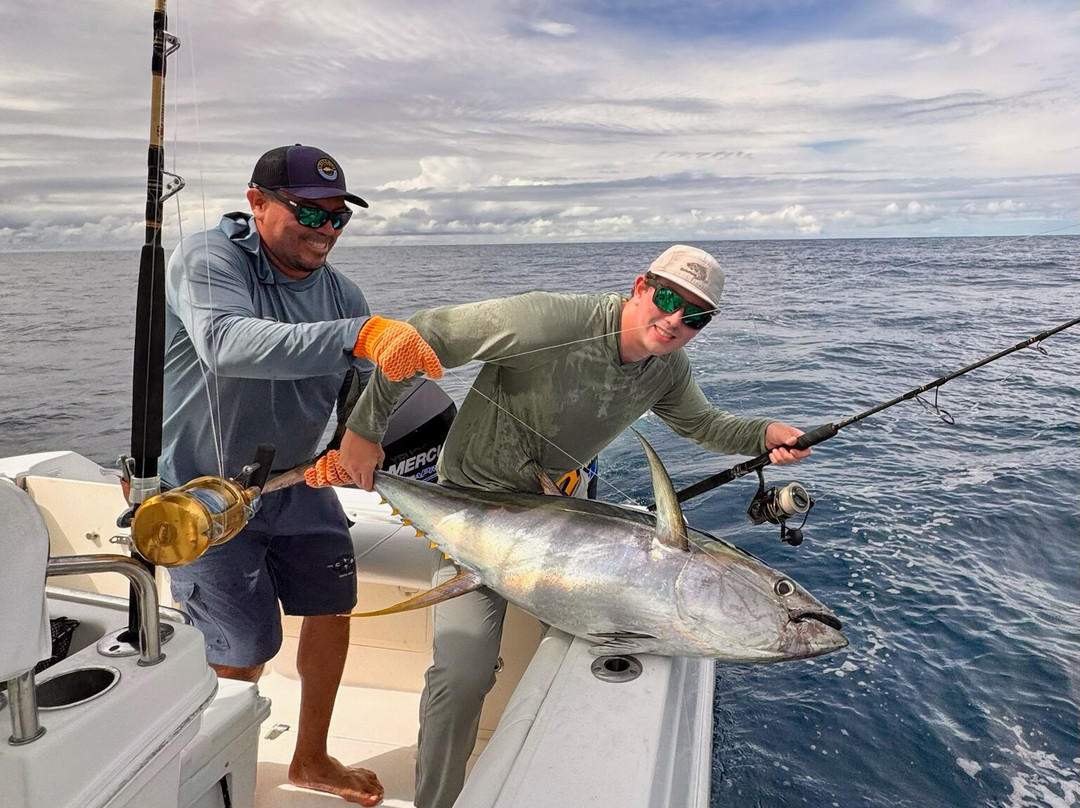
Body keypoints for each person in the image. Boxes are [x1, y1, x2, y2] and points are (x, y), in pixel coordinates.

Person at [319, 244, 810, 808]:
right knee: (462, 677)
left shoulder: (667, 368)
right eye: (670, 299)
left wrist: (763, 433)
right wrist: (364, 429)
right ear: (640, 286)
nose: (676, 320)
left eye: (695, 315)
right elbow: (427, 333)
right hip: (470, 510)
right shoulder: (558, 320)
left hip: (559, 507)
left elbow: (701, 421)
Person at [161, 143, 442, 807]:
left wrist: (357, 437)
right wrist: (362, 335)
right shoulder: (210, 260)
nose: (324, 230)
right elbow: (225, 345)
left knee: (331, 603)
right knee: (242, 646)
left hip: (297, 481)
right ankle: (209, 780)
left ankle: (312, 757)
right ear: (257, 203)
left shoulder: (342, 292)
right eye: (309, 213)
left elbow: (362, 390)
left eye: (338, 217)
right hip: (205, 491)